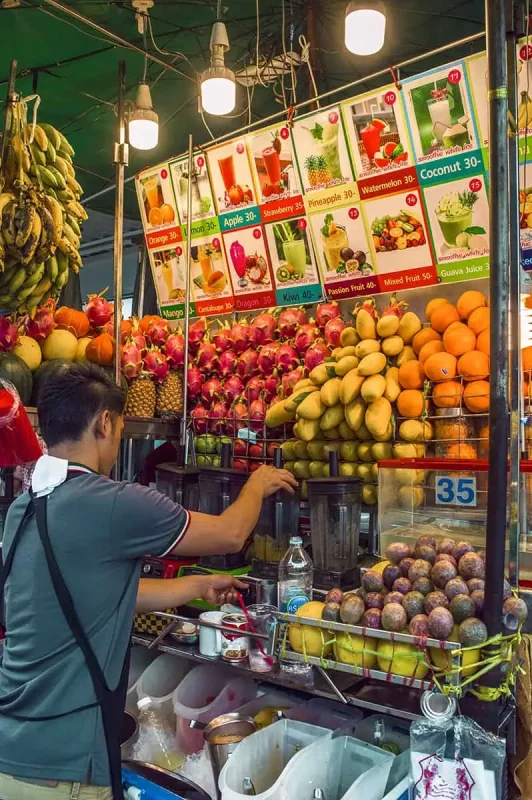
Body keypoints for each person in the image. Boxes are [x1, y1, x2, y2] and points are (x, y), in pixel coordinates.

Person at [0, 363, 296, 800]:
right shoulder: (114, 503)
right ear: (104, 423)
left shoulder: (23, 509)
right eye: (119, 429)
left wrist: (194, 587)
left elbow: (95, 595)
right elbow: (231, 532)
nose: (118, 441)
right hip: (64, 772)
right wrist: (256, 485)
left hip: (11, 753)